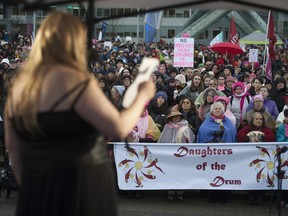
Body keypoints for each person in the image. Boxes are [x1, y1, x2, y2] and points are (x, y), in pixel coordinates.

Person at [5, 11, 156, 216]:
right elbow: (118, 127)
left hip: (36, 185)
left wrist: (35, 186)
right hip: (80, 186)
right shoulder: (75, 82)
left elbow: (13, 148)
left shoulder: (20, 88)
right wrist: (142, 97)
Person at [158, 105, 195, 202]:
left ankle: (180, 191)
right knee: (171, 173)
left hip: (182, 154)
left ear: (180, 117)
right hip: (170, 154)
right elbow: (162, 140)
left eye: (177, 116)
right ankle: (170, 192)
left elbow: (190, 140)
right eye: (174, 116)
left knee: (181, 173)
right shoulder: (168, 126)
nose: (176, 118)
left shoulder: (186, 126)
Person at [237, 112, 275, 205]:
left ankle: (260, 196)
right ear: (252, 120)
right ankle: (251, 195)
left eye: (260, 119)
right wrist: (248, 139)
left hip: (263, 158)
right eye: (257, 119)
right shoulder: (247, 129)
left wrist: (261, 137)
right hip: (250, 158)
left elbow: (271, 137)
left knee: (262, 176)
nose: (259, 120)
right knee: (250, 176)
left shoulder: (266, 129)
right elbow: (240, 135)